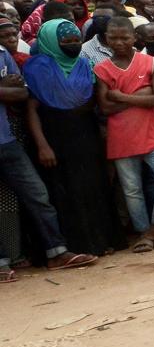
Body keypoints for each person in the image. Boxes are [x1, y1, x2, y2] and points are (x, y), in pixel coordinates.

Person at [0, 25, 97, 278]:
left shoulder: (3, 54)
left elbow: (20, 93)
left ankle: (57, 252)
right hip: (19, 137)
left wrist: (7, 90)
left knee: (38, 195)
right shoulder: (32, 64)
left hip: (6, 141)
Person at [23, 19, 126, 255]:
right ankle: (73, 246)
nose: (72, 44)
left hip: (85, 134)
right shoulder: (38, 68)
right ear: (51, 42)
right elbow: (32, 110)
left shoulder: (85, 64)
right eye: (65, 41)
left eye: (75, 40)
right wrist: (42, 145)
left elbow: (93, 103)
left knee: (94, 187)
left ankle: (101, 241)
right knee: (66, 191)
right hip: (54, 137)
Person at [94, 17, 154, 252]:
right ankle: (145, 232)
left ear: (134, 38)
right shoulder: (102, 68)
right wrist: (142, 95)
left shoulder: (151, 62)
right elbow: (105, 108)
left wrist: (123, 96)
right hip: (121, 137)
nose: (119, 42)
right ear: (106, 40)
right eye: (113, 38)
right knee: (132, 189)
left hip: (152, 134)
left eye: (124, 37)